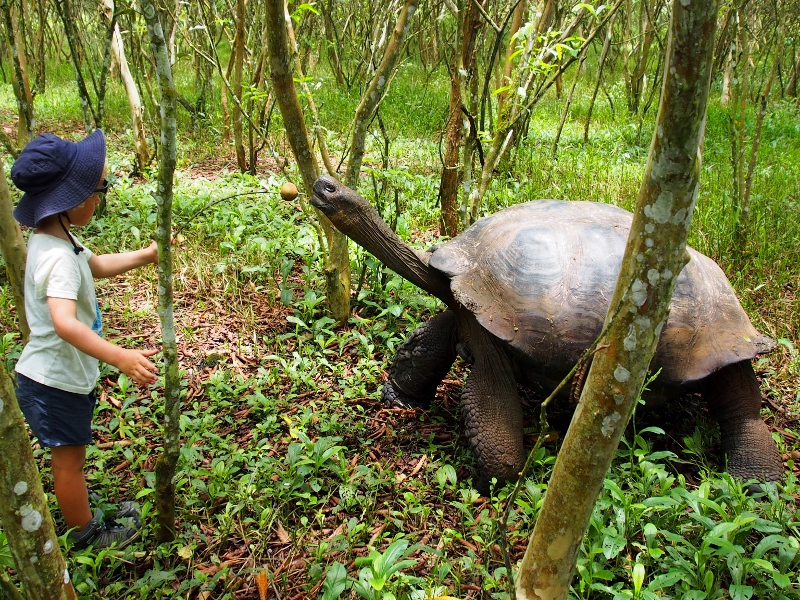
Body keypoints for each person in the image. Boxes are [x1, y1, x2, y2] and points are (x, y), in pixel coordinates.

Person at [10, 129, 159, 549]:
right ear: (72, 200)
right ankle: (88, 536)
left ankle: (85, 512)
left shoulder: (58, 238)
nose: (100, 198)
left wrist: (145, 256)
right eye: (99, 190)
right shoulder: (56, 257)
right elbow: (64, 323)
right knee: (69, 464)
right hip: (52, 381)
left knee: (71, 457)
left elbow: (97, 265)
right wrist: (120, 357)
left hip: (61, 376)